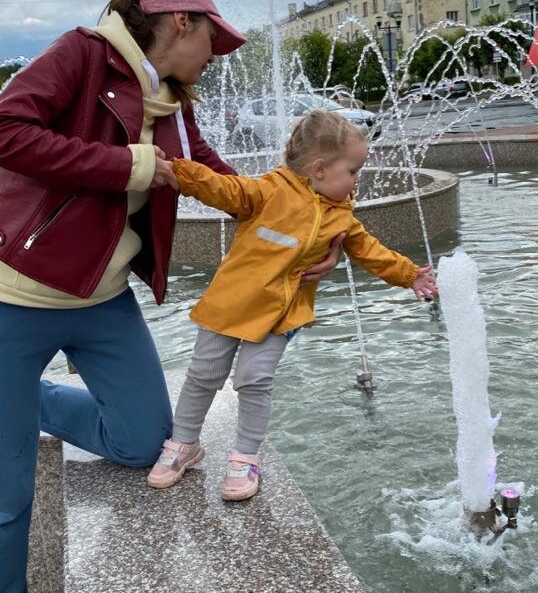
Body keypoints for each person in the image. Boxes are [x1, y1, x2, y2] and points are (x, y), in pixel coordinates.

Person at [0, 0, 342, 593]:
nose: (217, 56)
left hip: (100, 301)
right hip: (10, 297)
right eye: (212, 40)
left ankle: (12, 400)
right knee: (2, 500)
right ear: (178, 21)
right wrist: (129, 167)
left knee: (143, 440)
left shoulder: (173, 106)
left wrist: (301, 233)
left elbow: (229, 184)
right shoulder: (80, 56)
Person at [147, 109, 437, 500]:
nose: (357, 180)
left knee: (254, 378)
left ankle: (246, 456)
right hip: (230, 303)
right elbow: (223, 188)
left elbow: (371, 251)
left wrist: (409, 274)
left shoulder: (341, 216)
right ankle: (184, 444)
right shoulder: (269, 191)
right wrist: (178, 171)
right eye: (352, 170)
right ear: (320, 168)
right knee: (203, 373)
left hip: (281, 313)